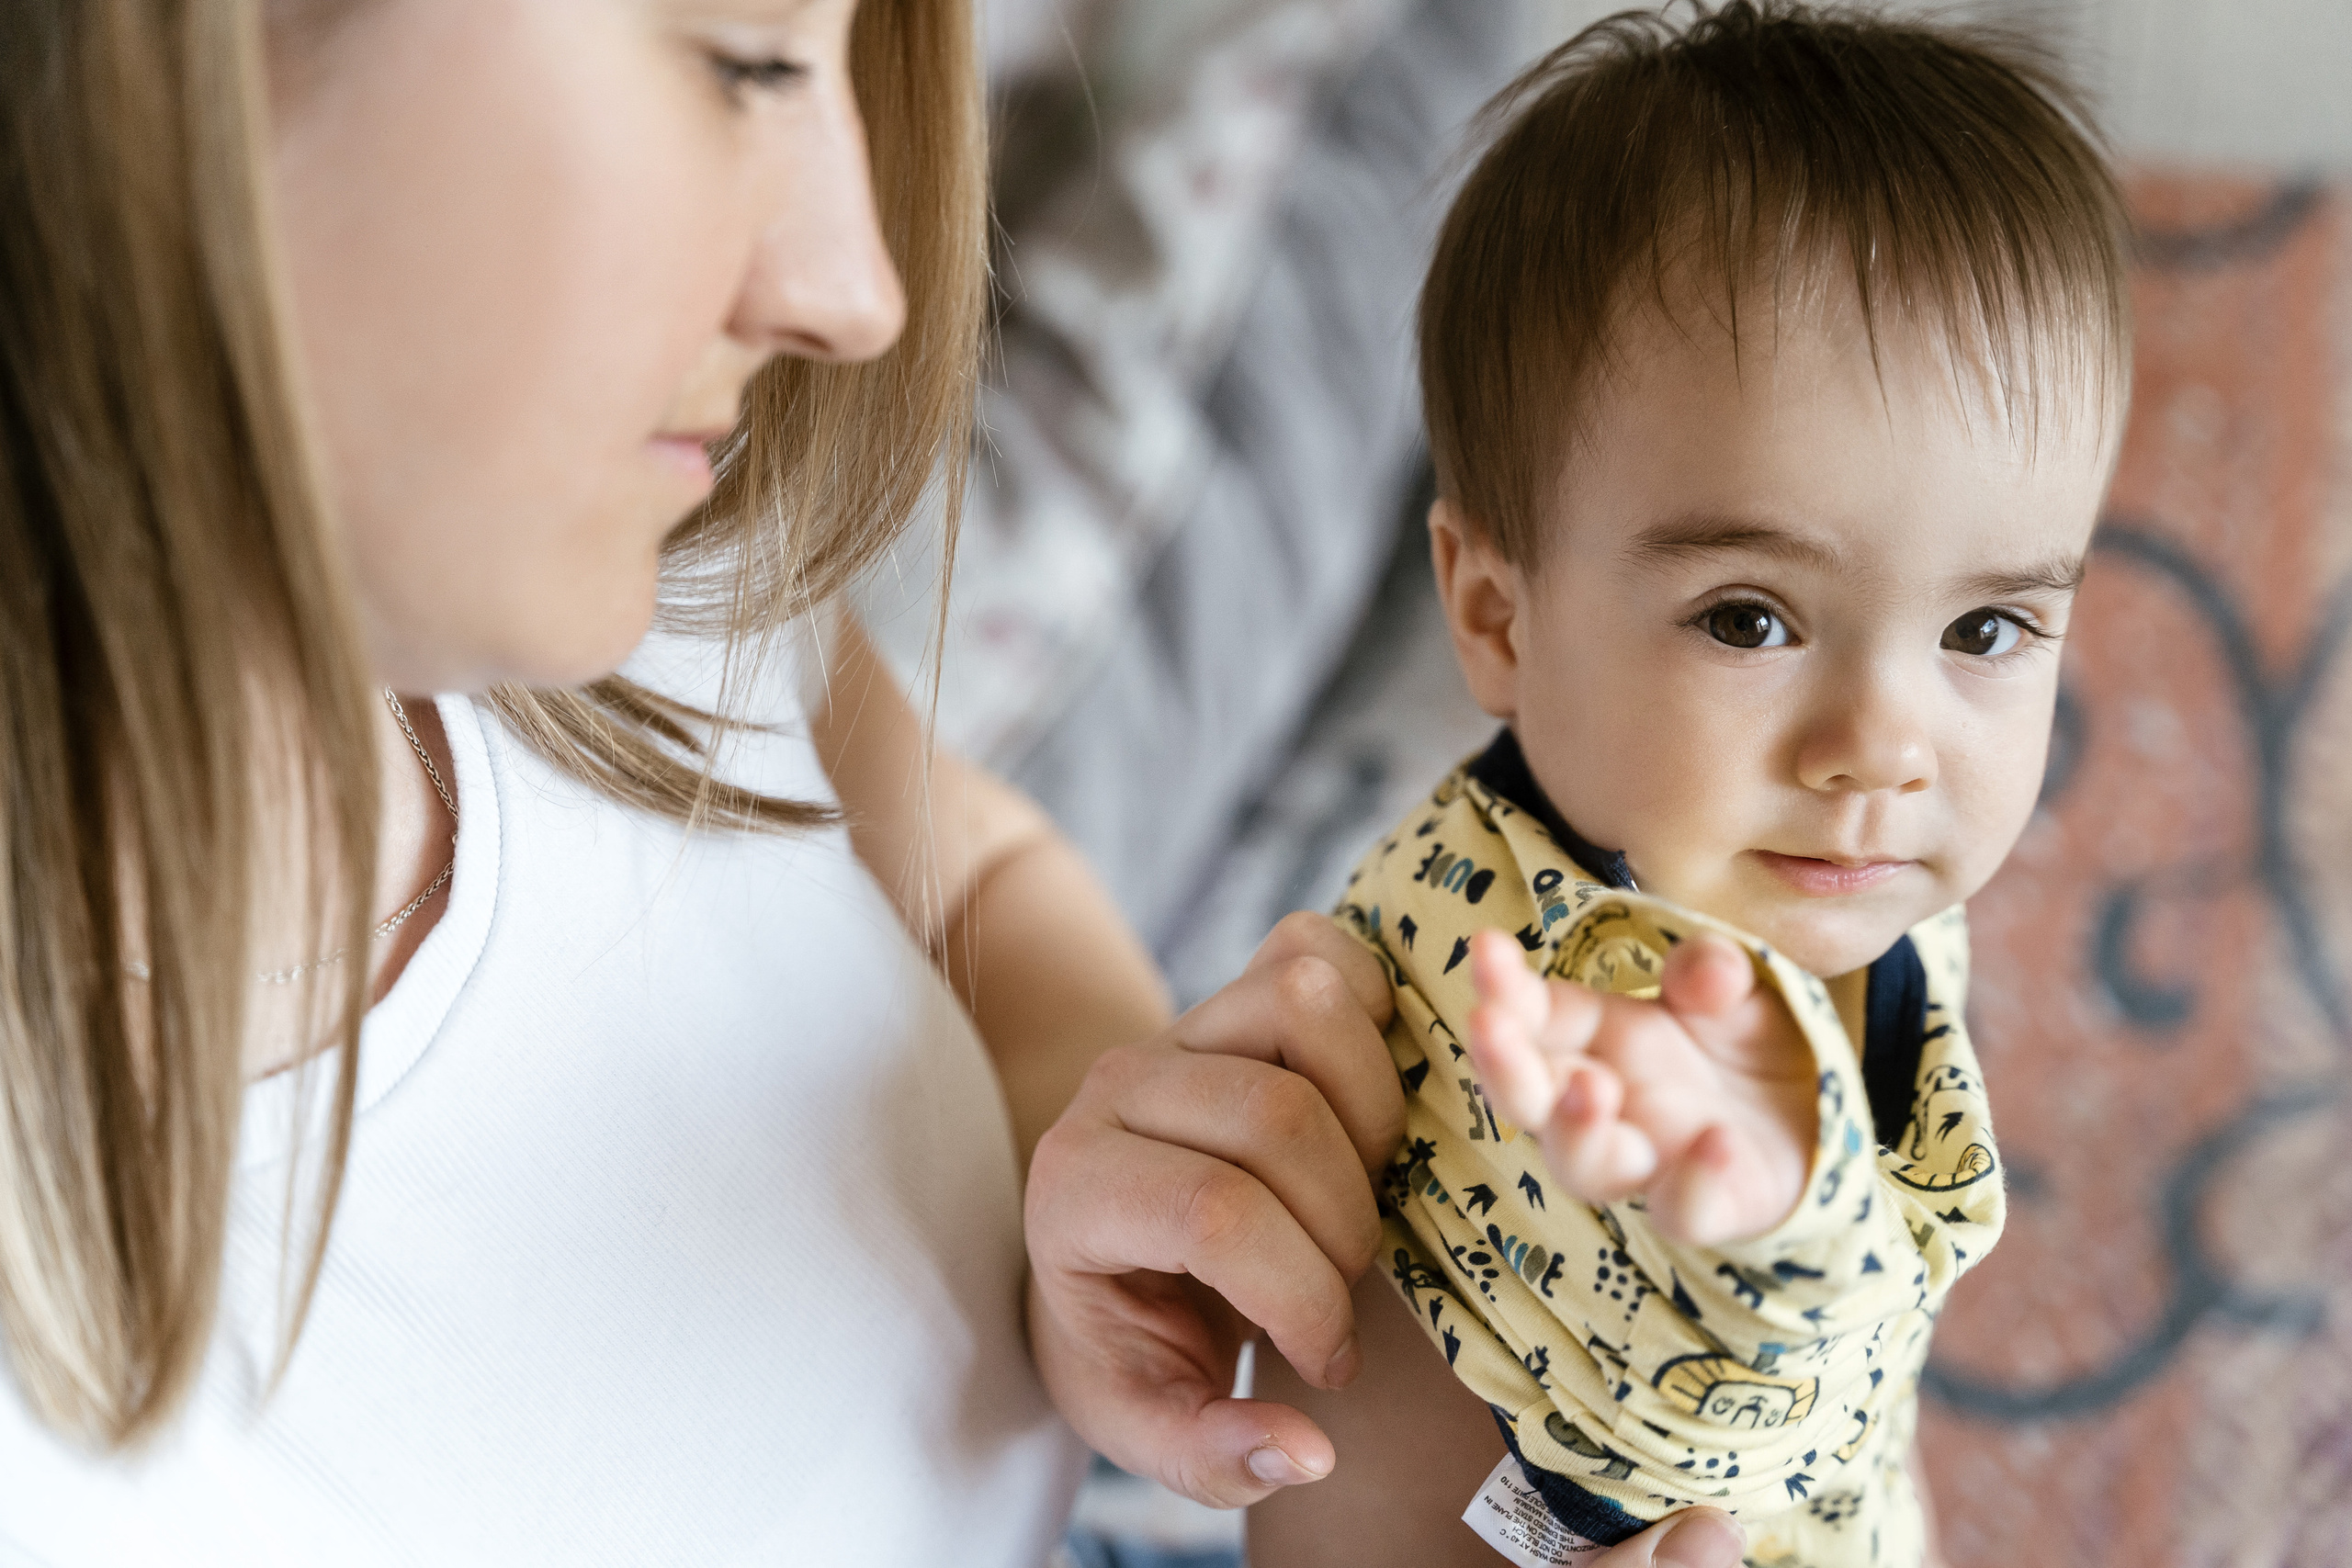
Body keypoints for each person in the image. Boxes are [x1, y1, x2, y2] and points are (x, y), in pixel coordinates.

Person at [1249, 4, 2130, 1564]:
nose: (1882, 743)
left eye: (1985, 627)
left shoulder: (1811, 891)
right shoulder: (1535, 979)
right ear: (1498, 617)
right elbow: (1740, 1404)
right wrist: (1771, 1204)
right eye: (1749, 618)